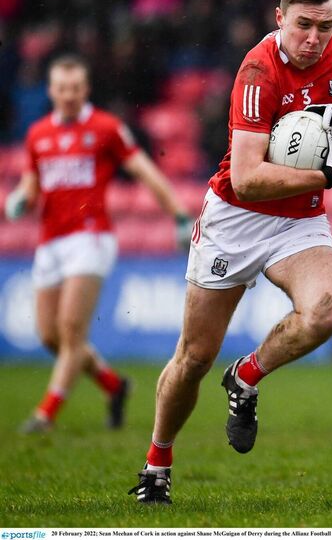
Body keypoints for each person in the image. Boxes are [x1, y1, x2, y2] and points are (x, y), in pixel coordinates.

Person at [128, 0, 332, 505]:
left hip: (298, 220)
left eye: (325, 27)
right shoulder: (257, 72)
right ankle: (156, 465)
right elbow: (247, 177)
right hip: (236, 219)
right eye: (303, 25)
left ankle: (247, 376)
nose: (314, 39)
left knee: (325, 312)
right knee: (193, 357)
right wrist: (325, 176)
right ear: (279, 19)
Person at [4, 54, 193, 434]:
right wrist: (20, 198)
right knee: (49, 336)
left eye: (75, 88)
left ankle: (46, 414)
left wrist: (178, 214)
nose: (69, 95)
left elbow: (145, 170)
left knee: (72, 331)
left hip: (90, 239)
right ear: (51, 91)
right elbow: (32, 182)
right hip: (51, 241)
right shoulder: (38, 134)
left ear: (85, 89)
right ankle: (115, 385)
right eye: (62, 88)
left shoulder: (106, 128)